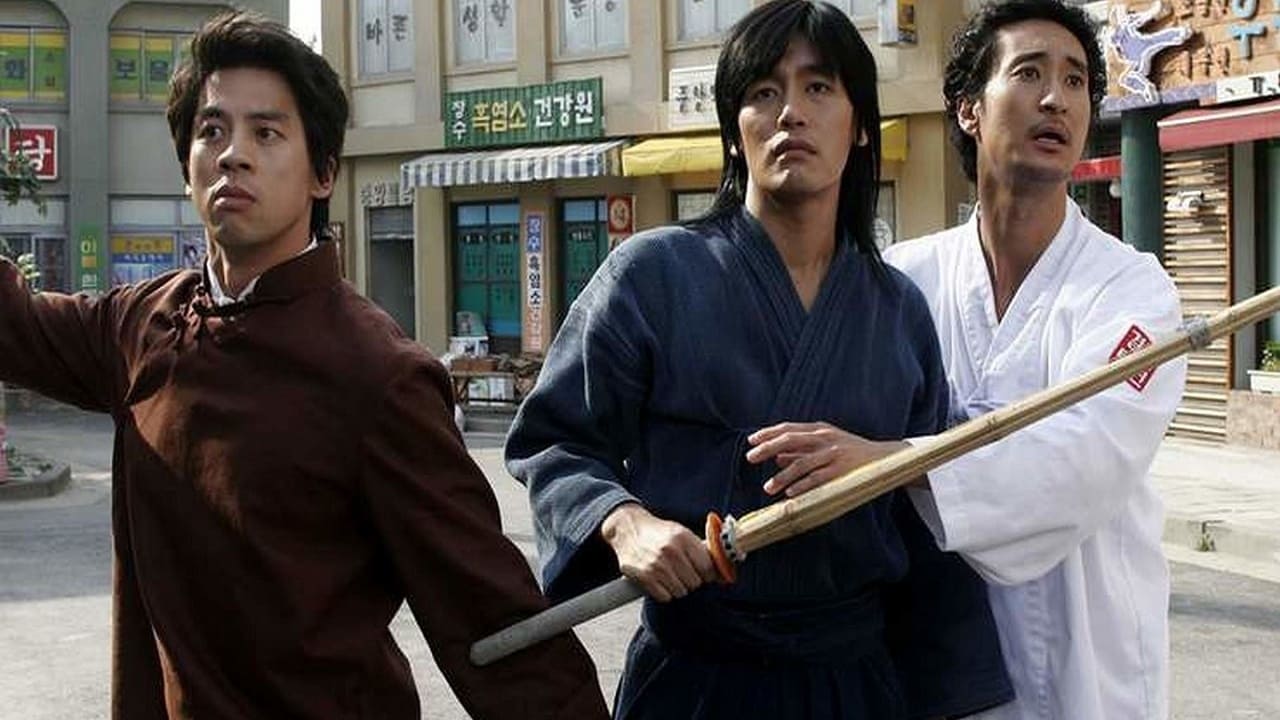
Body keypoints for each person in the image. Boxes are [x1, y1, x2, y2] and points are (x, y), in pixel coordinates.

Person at [0, 12, 608, 720]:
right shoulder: (141, 325)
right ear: (187, 165)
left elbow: (492, 617)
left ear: (322, 174)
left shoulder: (377, 374)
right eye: (211, 130)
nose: (233, 155)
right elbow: (13, 324)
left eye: (266, 133)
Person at [506, 2, 1012, 718]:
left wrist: (954, 694)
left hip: (854, 685)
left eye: (818, 87)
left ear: (860, 126)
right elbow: (554, 441)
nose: (790, 113)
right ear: (734, 130)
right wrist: (624, 521)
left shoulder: (898, 310)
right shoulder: (652, 275)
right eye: (763, 92)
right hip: (694, 681)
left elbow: (925, 520)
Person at [747, 2, 1188, 718]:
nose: (1056, 99)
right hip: (931, 670)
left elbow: (1086, 456)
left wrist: (895, 462)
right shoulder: (901, 278)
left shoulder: (1132, 291)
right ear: (968, 110)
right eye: (1029, 73)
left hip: (1084, 676)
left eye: (1076, 80)